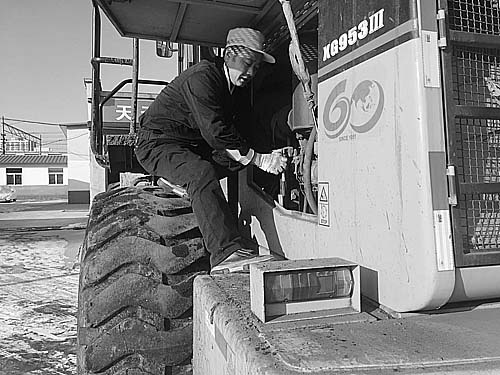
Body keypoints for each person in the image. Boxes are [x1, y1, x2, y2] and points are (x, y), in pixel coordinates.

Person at [135, 27, 287, 273]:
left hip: (188, 144)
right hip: (157, 143)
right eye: (247, 62)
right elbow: (216, 132)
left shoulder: (231, 88)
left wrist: (272, 150)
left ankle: (180, 184)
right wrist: (259, 158)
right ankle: (225, 253)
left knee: (236, 161)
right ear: (228, 55)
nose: (250, 72)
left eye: (256, 67)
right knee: (200, 172)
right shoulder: (203, 77)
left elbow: (239, 133)